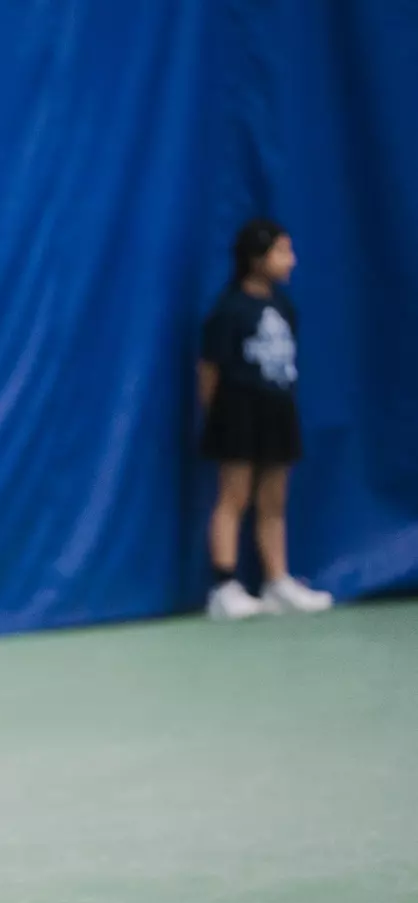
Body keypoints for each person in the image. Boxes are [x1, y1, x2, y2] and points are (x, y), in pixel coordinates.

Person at [197, 218, 334, 620]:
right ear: (256, 259)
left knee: (274, 500)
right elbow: (209, 370)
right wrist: (214, 417)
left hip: (278, 409)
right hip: (237, 413)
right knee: (234, 496)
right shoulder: (229, 310)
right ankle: (224, 587)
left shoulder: (284, 306)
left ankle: (277, 581)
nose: (291, 260)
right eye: (282, 251)